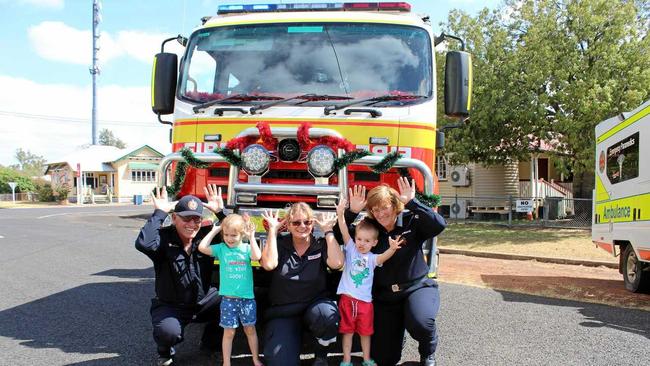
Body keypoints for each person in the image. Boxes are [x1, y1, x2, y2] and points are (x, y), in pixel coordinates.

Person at [337, 177, 446, 366]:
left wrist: (413, 202)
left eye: (384, 207)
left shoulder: (412, 221)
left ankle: (427, 351)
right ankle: (397, 337)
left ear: (395, 205)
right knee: (384, 359)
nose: (380, 213)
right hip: (385, 297)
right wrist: (352, 212)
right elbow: (338, 235)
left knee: (421, 322)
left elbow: (439, 225)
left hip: (416, 288)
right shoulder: (370, 229)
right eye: (375, 209)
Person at [135, 185, 226, 366]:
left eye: (196, 219)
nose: (192, 224)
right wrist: (160, 212)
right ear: (174, 218)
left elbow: (239, 233)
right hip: (171, 305)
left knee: (231, 302)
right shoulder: (163, 239)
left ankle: (211, 345)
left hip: (203, 301)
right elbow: (143, 243)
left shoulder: (205, 236)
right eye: (186, 218)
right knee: (168, 332)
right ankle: (165, 351)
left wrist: (221, 212)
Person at [259, 203, 345, 366]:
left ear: (313, 224)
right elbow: (269, 264)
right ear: (288, 226)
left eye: (307, 222)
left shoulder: (320, 244)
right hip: (284, 311)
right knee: (281, 363)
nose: (302, 226)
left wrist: (328, 231)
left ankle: (321, 356)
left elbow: (337, 263)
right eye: (296, 223)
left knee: (327, 316)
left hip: (315, 306)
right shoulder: (280, 243)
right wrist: (272, 230)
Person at [335, 198, 404, 366]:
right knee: (348, 332)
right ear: (355, 239)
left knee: (366, 333)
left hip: (365, 302)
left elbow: (383, 257)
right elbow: (344, 231)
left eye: (367, 241)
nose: (361, 244)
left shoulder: (372, 258)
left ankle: (366, 359)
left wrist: (392, 248)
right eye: (359, 239)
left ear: (374, 243)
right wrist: (340, 214)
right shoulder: (351, 248)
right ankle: (346, 360)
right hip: (348, 300)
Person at [197, 214, 263, 366]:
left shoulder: (246, 248)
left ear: (241, 234)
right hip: (228, 299)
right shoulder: (221, 249)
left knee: (250, 330)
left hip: (247, 299)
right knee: (229, 332)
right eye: (226, 235)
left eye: (234, 235)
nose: (229, 238)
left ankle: (255, 358)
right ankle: (226, 362)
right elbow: (202, 247)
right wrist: (215, 230)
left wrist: (252, 236)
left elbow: (257, 256)